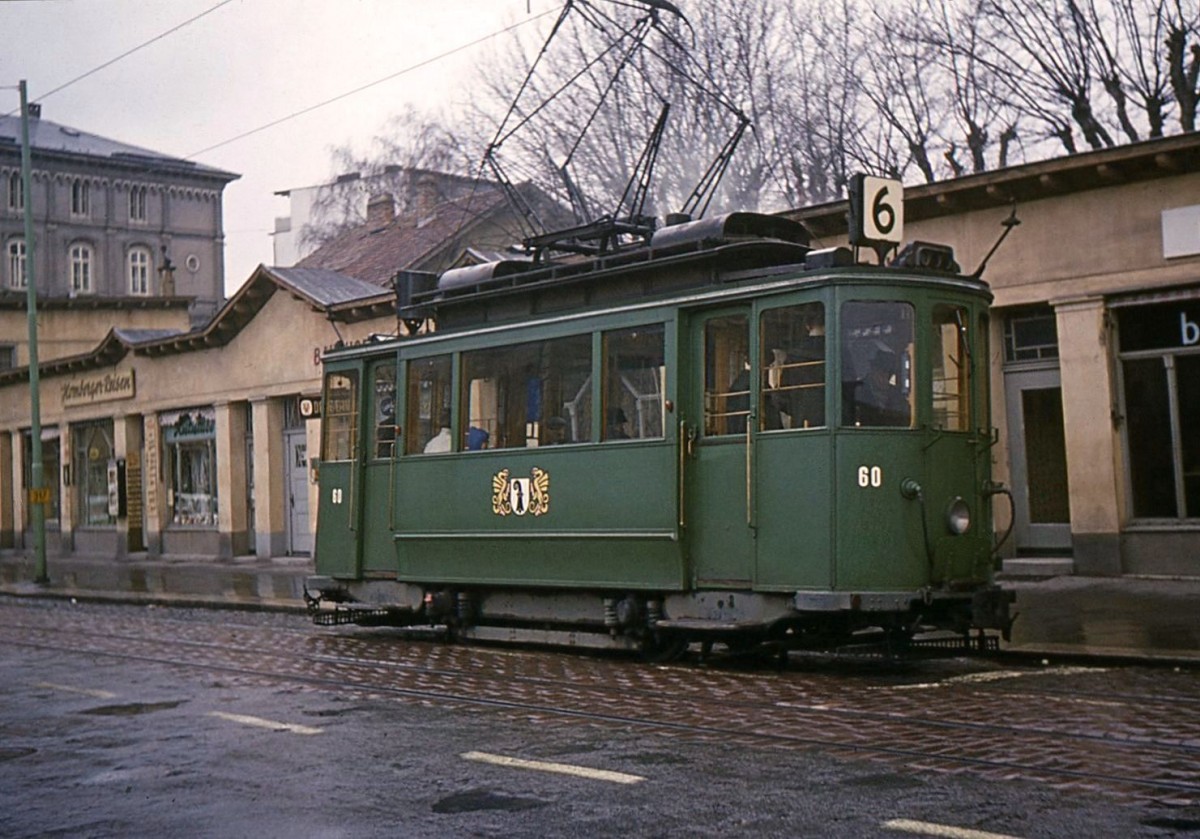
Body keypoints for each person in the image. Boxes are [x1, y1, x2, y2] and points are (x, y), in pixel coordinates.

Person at [856, 349, 909, 427]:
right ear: (873, 370)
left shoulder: (896, 394)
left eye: (889, 373)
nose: (885, 377)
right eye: (882, 372)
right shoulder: (858, 391)